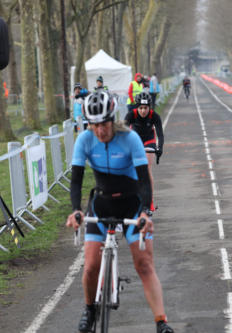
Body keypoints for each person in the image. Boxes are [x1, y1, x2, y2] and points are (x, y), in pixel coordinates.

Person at [66, 91, 174, 333]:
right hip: (101, 204)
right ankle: (89, 309)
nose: (100, 131)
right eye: (94, 125)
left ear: (112, 119)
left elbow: (145, 181)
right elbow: (76, 181)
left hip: (132, 205)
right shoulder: (84, 140)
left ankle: (161, 321)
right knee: (91, 265)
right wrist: (75, 211)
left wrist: (146, 212)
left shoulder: (130, 139)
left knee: (144, 264)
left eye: (104, 124)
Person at [124, 92, 164, 211]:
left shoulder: (154, 116)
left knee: (146, 169)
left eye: (145, 108)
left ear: (149, 107)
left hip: (148, 141)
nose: (143, 111)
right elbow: (123, 133)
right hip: (135, 140)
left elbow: (160, 135)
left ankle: (150, 200)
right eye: (140, 108)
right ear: (137, 107)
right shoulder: (131, 115)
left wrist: (159, 148)